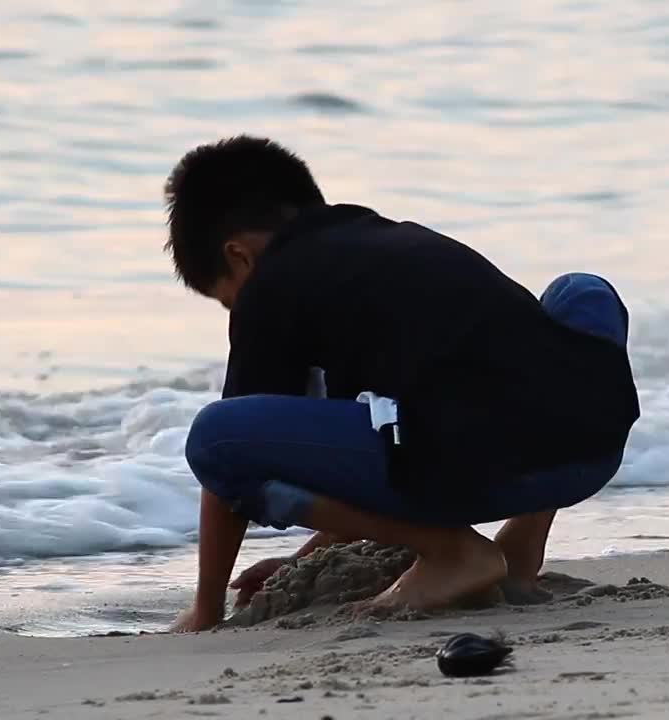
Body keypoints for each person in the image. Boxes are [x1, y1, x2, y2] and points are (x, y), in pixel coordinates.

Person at [165, 136, 640, 633]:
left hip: (482, 470)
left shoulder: (271, 285)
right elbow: (354, 466)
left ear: (238, 256)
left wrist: (206, 609)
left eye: (228, 301)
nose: (237, 312)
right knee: (579, 290)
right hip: (589, 453)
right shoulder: (383, 245)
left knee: (215, 436)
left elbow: (229, 472)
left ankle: (452, 552)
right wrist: (301, 564)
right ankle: (524, 541)